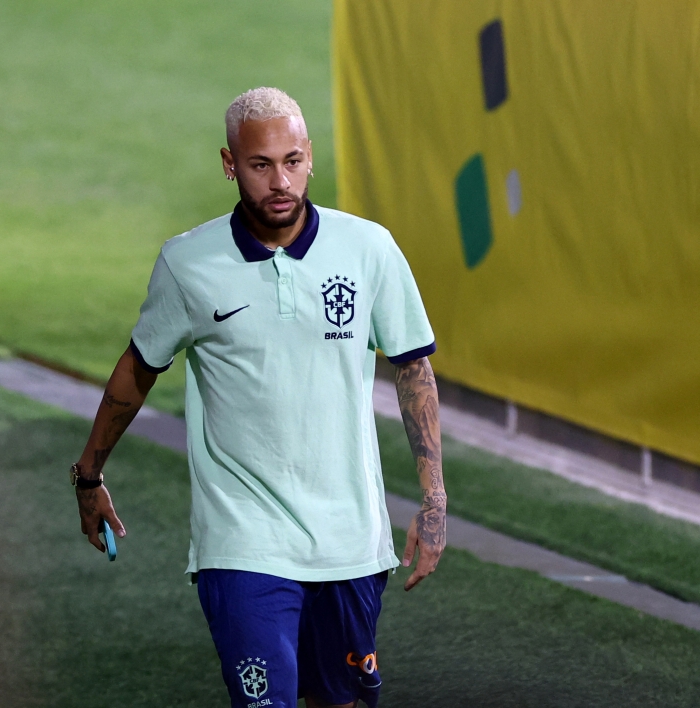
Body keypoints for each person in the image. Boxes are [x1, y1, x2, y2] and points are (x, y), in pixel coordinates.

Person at [69, 87, 446, 708]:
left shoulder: (369, 250)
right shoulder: (188, 263)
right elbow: (137, 371)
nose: (280, 181)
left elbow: (413, 370)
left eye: (293, 161)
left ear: (311, 157)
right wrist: (89, 476)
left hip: (349, 542)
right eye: (260, 164)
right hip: (242, 541)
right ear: (228, 164)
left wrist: (433, 502)